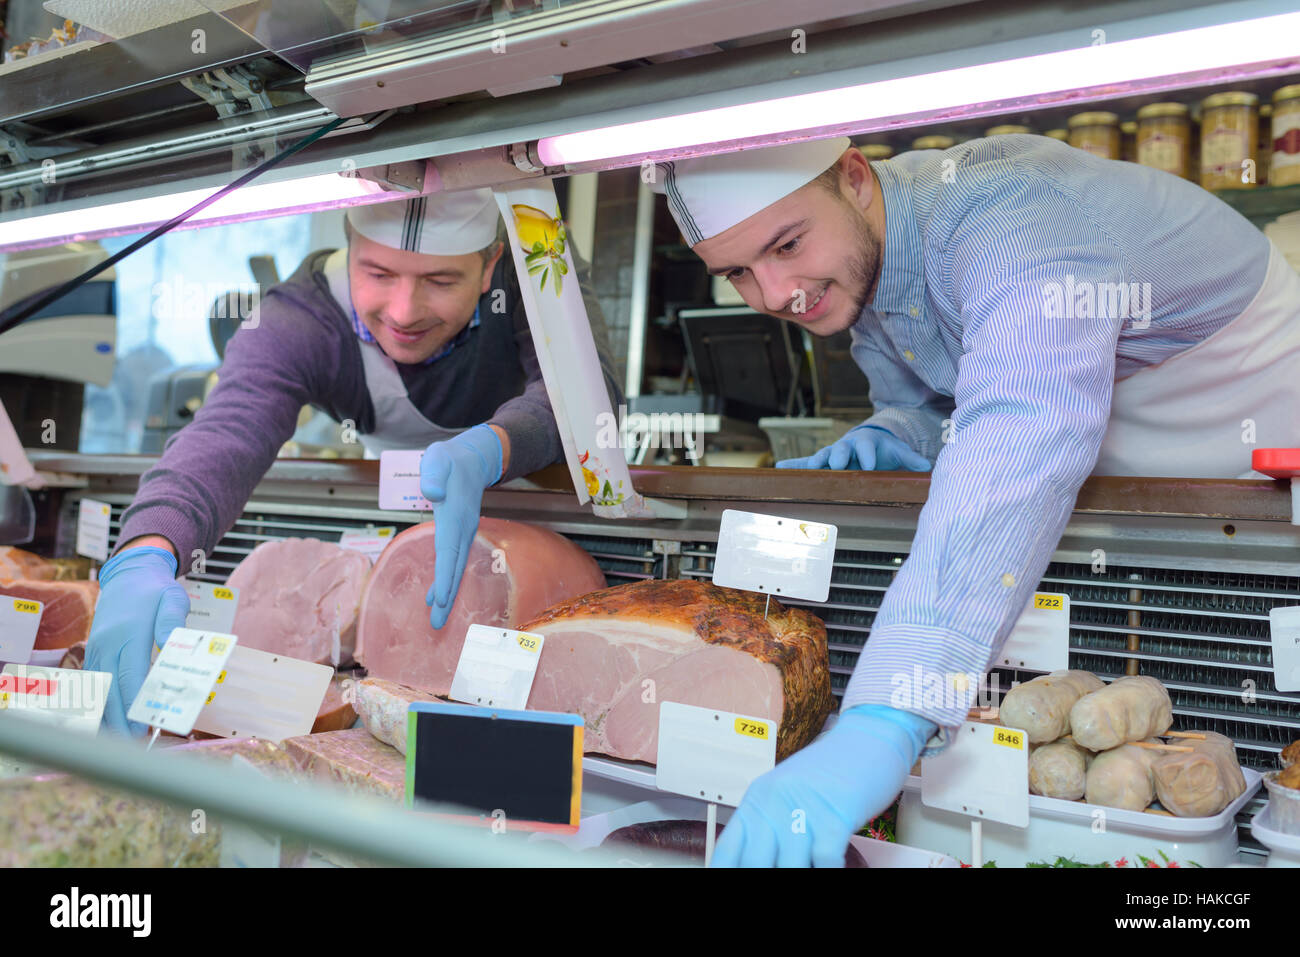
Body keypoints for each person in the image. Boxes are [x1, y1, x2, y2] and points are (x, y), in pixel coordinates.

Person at [655, 134, 1300, 866]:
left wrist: (886, 717)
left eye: (788, 245)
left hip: (1252, 474)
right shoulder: (863, 261)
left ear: (857, 177)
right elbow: (943, 399)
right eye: (737, 272)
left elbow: (1022, 424)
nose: (775, 294)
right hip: (1092, 508)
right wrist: (902, 429)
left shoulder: (1011, 210)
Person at [88, 189, 620, 734]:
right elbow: (228, 431)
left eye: (440, 281)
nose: (404, 311)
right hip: (399, 545)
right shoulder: (301, 319)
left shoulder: (535, 255)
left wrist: (494, 448)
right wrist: (148, 549)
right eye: (379, 273)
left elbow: (587, 395)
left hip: (542, 544)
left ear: (490, 266)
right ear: (350, 243)